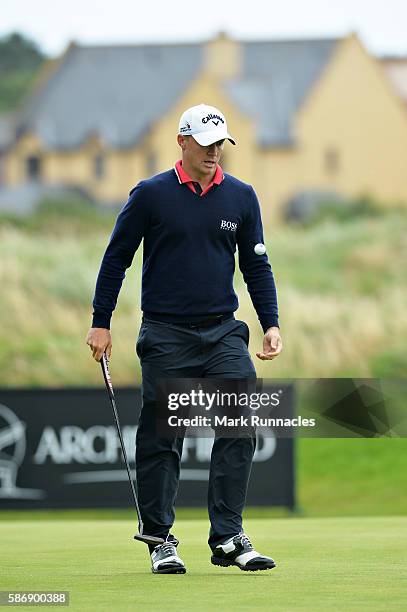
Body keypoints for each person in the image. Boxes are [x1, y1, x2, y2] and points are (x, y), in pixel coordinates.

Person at [86, 103, 283, 574]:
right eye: (207, 142)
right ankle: (160, 540)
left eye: (221, 143)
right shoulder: (151, 194)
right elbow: (117, 259)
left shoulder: (241, 196)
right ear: (183, 141)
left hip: (222, 332)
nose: (215, 151)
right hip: (166, 333)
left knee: (239, 425)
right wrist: (101, 320)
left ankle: (229, 537)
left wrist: (270, 322)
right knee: (162, 436)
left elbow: (256, 264)